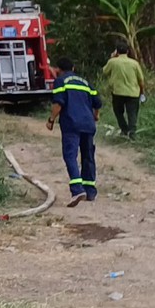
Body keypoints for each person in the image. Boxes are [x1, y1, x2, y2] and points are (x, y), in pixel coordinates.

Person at [46, 56, 100, 206]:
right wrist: (95, 116)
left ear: (58, 70)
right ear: (74, 69)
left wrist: (51, 120)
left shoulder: (60, 81)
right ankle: (90, 191)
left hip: (71, 124)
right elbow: (97, 102)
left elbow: (58, 103)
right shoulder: (85, 82)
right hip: (88, 124)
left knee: (70, 156)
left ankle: (77, 190)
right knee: (88, 156)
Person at [100, 41, 146, 137]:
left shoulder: (112, 62)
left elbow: (104, 72)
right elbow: (141, 80)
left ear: (116, 51)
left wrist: (112, 58)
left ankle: (124, 129)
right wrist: (142, 92)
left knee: (118, 112)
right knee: (132, 113)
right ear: (128, 51)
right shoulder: (134, 63)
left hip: (118, 92)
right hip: (133, 93)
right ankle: (132, 133)